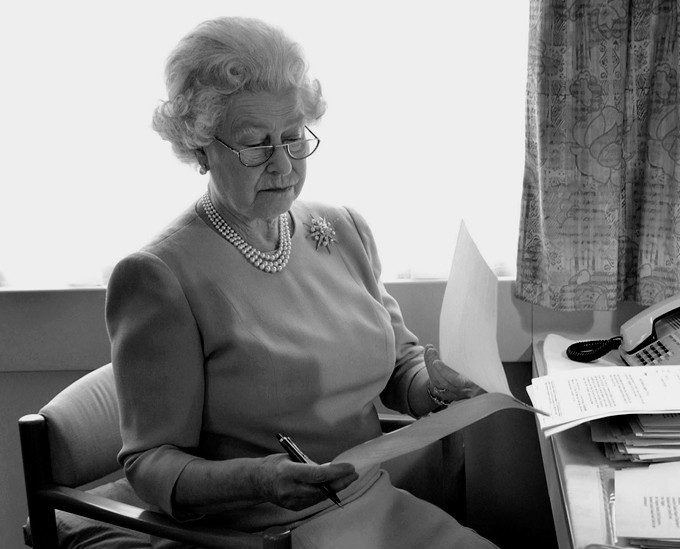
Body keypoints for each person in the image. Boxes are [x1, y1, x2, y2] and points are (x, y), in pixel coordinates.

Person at [103, 16, 496, 549]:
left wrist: (436, 388)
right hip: (263, 531)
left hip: (372, 502)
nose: (284, 164)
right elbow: (150, 464)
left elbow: (398, 366)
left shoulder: (342, 228)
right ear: (200, 147)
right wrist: (260, 479)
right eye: (255, 145)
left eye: (293, 137)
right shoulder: (158, 277)